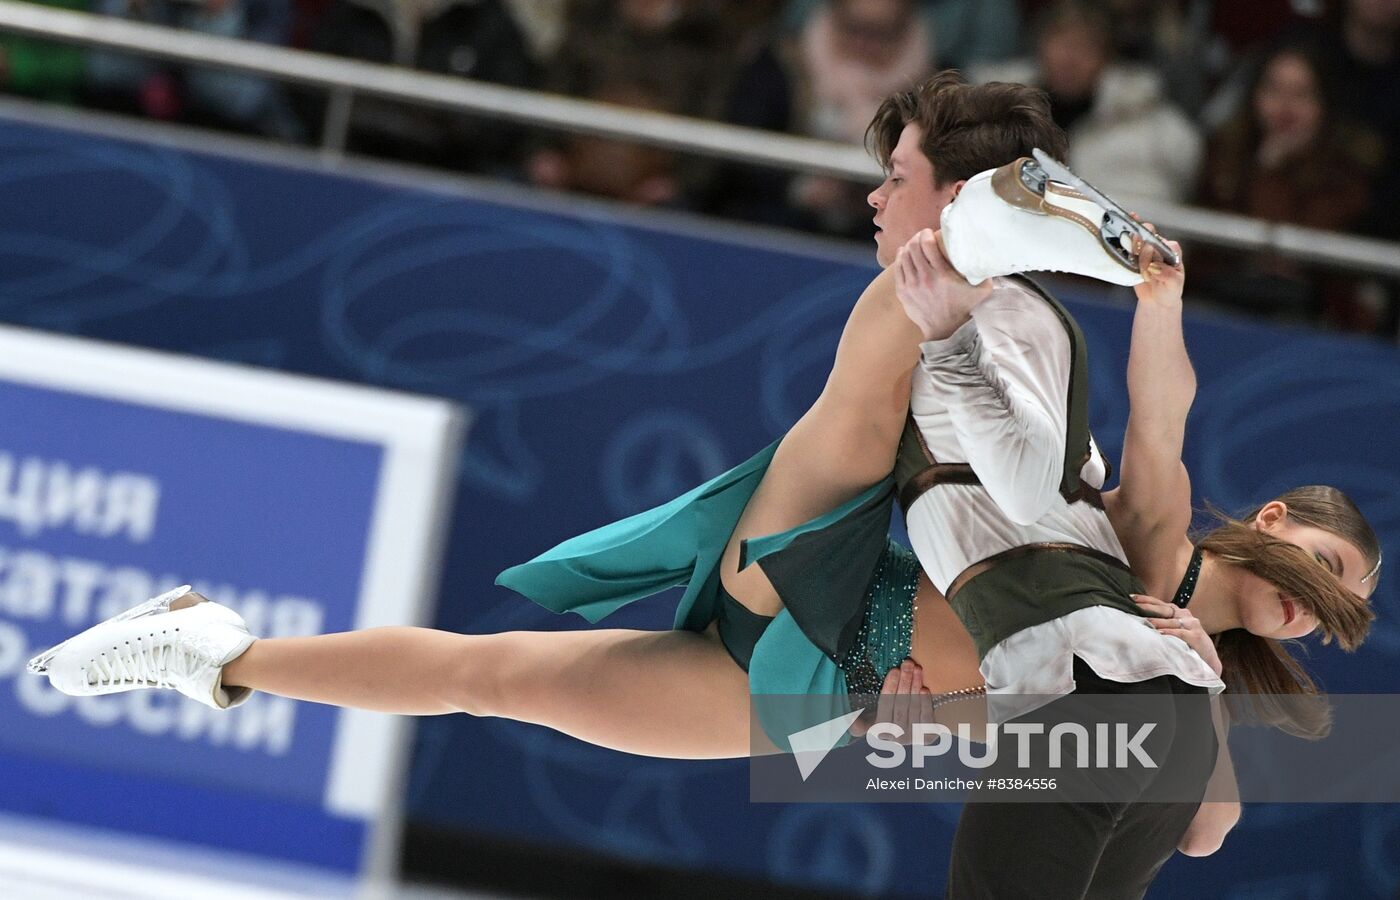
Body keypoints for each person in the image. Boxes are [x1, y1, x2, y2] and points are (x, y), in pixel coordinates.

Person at [32, 71, 1379, 889]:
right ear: (1273, 525)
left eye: (895, 177)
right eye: (1330, 579)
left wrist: (960, 723)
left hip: (803, 676)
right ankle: (966, 260)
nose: (869, 192)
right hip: (809, 559)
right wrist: (1146, 298)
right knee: (892, 370)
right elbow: (1147, 429)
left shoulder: (1167, 659)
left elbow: (1153, 801)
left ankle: (222, 650)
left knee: (494, 681)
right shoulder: (1145, 542)